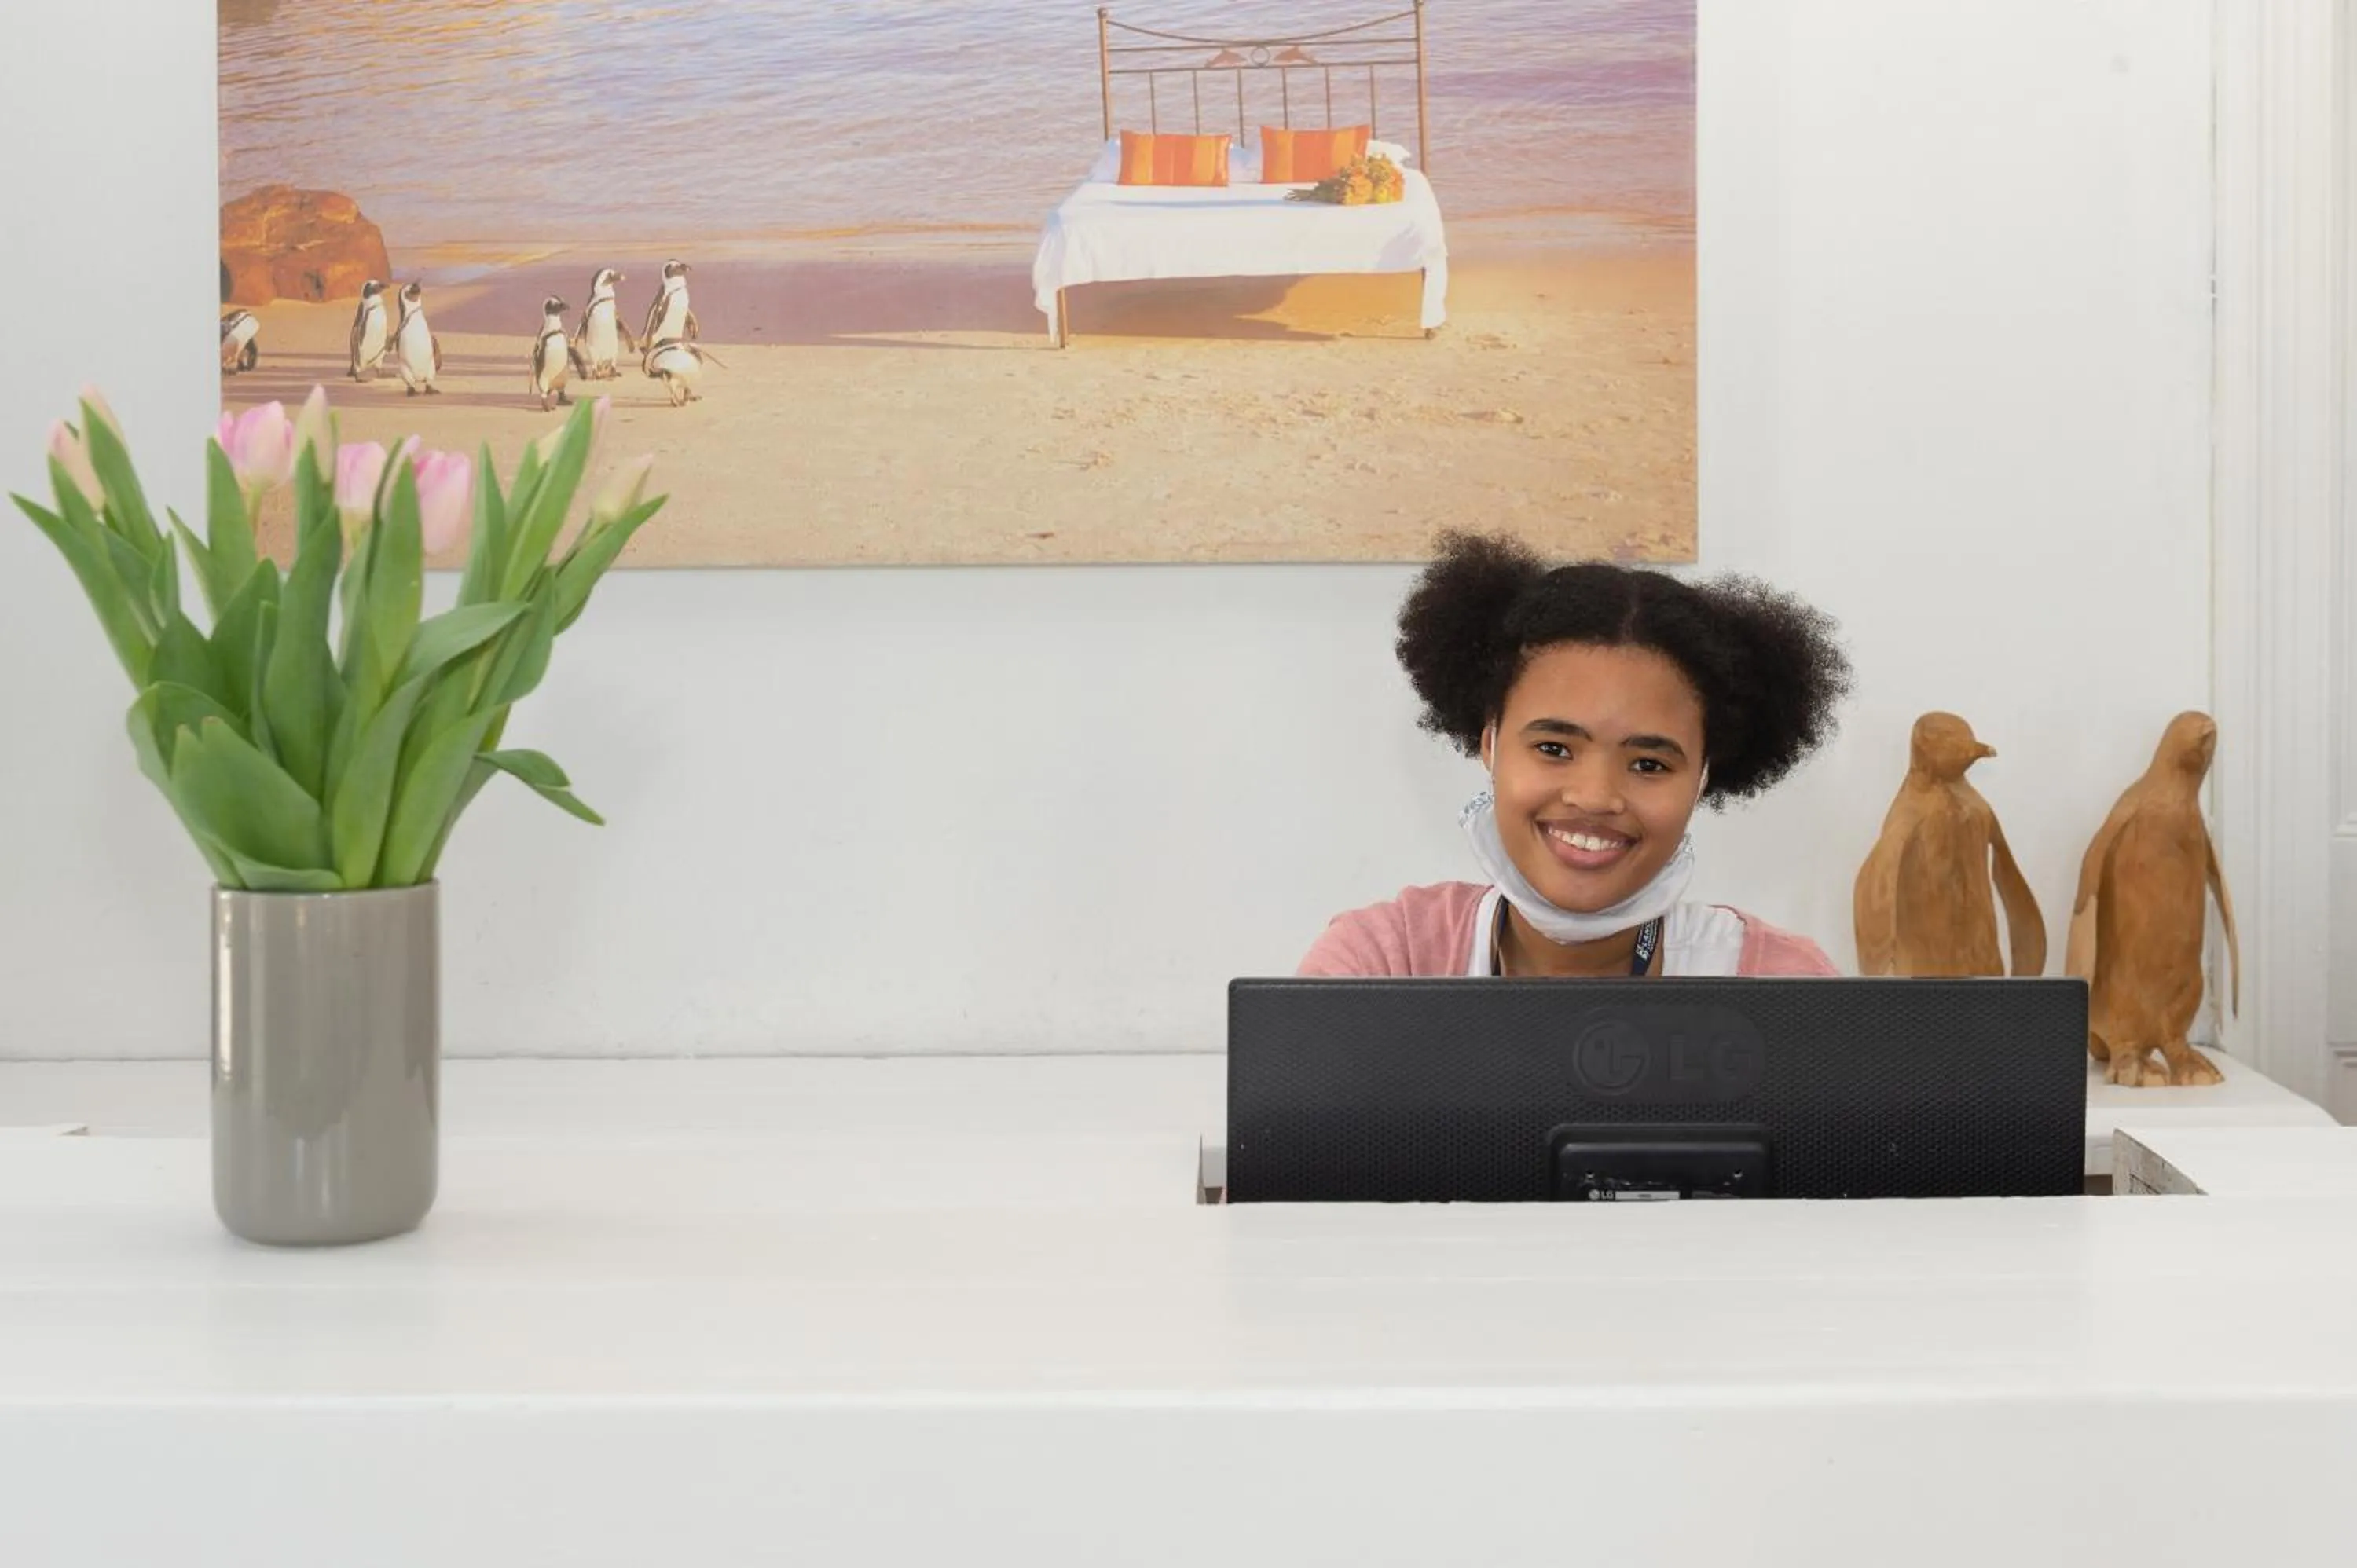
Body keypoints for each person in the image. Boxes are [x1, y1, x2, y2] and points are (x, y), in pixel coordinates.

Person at [1299, 530, 1853, 978]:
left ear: (1704, 775)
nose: (1594, 797)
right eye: (1554, 748)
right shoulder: (1383, 965)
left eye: (1649, 764)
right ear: (1490, 744)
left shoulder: (1783, 987)